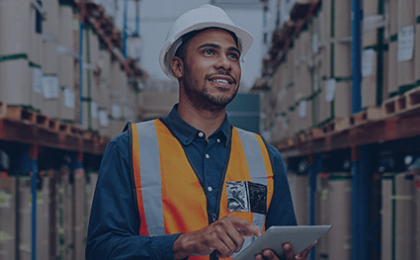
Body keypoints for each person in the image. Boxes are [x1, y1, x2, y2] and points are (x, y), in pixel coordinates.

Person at [86, 4, 314, 260]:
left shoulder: (265, 156)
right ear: (178, 67)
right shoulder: (129, 149)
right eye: (209, 52)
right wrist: (183, 244)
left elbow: (284, 244)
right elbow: (101, 250)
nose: (225, 64)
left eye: (233, 56)